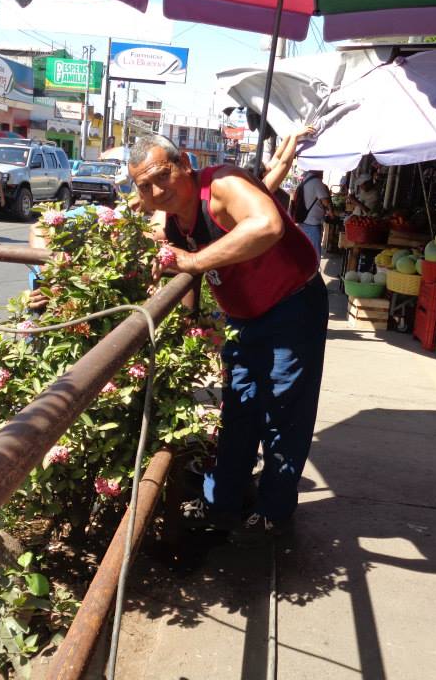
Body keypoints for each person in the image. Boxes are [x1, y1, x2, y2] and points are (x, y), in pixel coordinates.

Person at [129, 135, 328, 540]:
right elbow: (179, 267)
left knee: (282, 411)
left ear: (184, 163)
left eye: (162, 176)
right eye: (144, 185)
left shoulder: (221, 184)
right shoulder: (169, 218)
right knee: (240, 408)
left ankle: (273, 510)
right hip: (245, 318)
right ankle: (223, 499)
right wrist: (189, 320)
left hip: (292, 306)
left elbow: (268, 225)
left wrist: (195, 261)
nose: (156, 190)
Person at [292, 170, 332, 258]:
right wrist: (331, 212)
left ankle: (307, 270)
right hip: (313, 223)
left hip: (303, 221)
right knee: (314, 253)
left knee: (305, 251)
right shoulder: (317, 182)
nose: (323, 174)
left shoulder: (305, 180)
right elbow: (325, 202)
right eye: (322, 171)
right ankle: (314, 271)